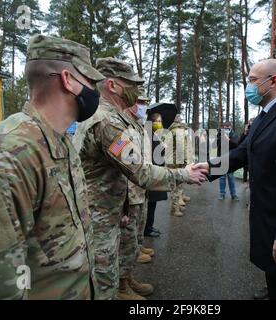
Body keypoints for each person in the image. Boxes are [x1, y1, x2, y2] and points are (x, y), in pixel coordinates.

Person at [0, 35, 104, 299]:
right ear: (68, 80)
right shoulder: (1, 158)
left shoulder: (60, 142)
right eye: (90, 82)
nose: (95, 91)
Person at [73, 57, 207, 300]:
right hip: (99, 213)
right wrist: (184, 174)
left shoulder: (115, 118)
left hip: (108, 208)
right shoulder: (107, 122)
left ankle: (123, 284)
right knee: (103, 278)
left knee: (113, 264)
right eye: (130, 84)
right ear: (112, 85)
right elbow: (141, 171)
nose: (136, 91)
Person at [196, 58, 276, 300]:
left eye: (253, 80)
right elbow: (243, 152)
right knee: (275, 283)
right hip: (268, 224)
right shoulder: (263, 118)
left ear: (273, 81)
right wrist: (208, 166)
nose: (249, 86)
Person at [117, 89, 154, 300]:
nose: (143, 106)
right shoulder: (118, 127)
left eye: (145, 102)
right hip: (128, 195)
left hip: (140, 191)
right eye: (140, 102)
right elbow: (121, 166)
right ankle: (121, 287)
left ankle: (128, 278)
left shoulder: (137, 126)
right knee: (126, 242)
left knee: (135, 239)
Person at [145, 112, 168, 237]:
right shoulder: (148, 134)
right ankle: (147, 229)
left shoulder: (154, 134)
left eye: (160, 121)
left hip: (156, 172)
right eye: (157, 121)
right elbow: (153, 154)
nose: (159, 123)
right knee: (150, 202)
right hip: (152, 172)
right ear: (151, 122)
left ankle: (149, 226)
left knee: (153, 203)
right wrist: (162, 148)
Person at [166, 114, 190, 217]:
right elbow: (181, 149)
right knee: (176, 185)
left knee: (176, 184)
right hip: (176, 162)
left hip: (172, 161)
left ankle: (177, 206)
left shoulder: (171, 131)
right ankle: (174, 208)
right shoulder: (178, 132)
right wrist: (186, 161)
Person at [217, 121, 240, 200]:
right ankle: (222, 194)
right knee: (222, 177)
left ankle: (233, 194)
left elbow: (236, 144)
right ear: (223, 127)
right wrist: (219, 135)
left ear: (231, 127)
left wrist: (228, 139)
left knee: (230, 177)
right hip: (221, 157)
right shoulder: (220, 134)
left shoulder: (234, 135)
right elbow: (214, 145)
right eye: (225, 127)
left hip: (230, 158)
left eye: (228, 127)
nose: (226, 128)